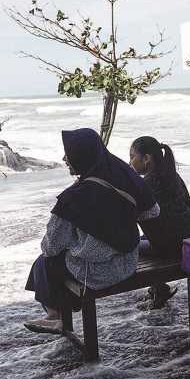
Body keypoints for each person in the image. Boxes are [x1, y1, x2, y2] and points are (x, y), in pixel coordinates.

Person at [25, 128, 159, 329]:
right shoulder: (124, 173)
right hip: (129, 261)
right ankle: (58, 316)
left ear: (81, 156)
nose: (64, 158)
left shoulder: (74, 198)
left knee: (44, 263)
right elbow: (152, 212)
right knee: (53, 261)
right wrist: (117, 218)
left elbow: (50, 247)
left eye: (68, 154)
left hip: (98, 273)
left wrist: (80, 239)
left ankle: (56, 316)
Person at [129, 136, 190, 308]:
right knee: (143, 239)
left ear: (146, 158)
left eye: (132, 156)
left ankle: (159, 290)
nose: (130, 161)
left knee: (131, 246)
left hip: (172, 248)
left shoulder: (146, 184)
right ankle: (158, 289)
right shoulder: (173, 176)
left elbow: (130, 215)